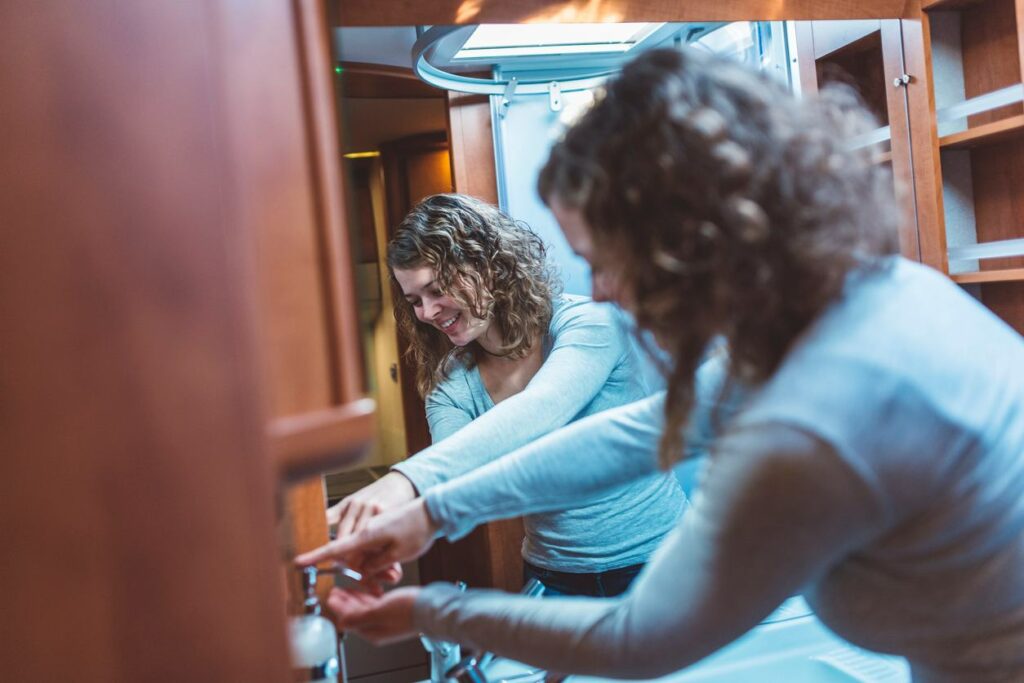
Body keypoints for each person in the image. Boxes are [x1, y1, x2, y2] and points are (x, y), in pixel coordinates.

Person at [298, 47, 1024, 682]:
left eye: (605, 261)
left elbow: (638, 637)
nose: (604, 289)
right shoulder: (858, 303)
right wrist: (432, 511)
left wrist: (431, 609)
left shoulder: (816, 416)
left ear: (687, 238)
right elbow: (640, 430)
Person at [332, 192, 685, 597]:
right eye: (414, 301)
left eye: (436, 289)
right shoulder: (452, 383)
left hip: (665, 562)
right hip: (554, 579)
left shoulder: (588, 324)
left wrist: (404, 481)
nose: (427, 313)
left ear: (487, 266)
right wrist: (391, 529)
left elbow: (543, 408)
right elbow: (455, 477)